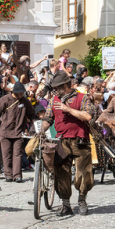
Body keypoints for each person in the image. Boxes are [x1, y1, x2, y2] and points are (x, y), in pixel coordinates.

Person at [41, 71, 98, 216]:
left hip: (80, 140)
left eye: (58, 87)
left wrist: (68, 109)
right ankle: (66, 204)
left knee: (83, 173)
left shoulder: (82, 97)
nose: (55, 90)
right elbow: (48, 118)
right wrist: (41, 131)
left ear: (66, 85)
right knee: (61, 172)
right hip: (62, 141)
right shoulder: (54, 100)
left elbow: (87, 115)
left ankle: (82, 200)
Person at [0, 82, 34, 183]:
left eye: (22, 93)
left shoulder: (25, 101)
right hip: (5, 132)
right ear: (14, 92)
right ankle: (8, 175)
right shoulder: (5, 99)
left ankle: (17, 175)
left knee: (18, 154)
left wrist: (35, 126)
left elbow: (32, 114)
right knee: (6, 154)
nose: (20, 95)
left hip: (19, 131)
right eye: (19, 93)